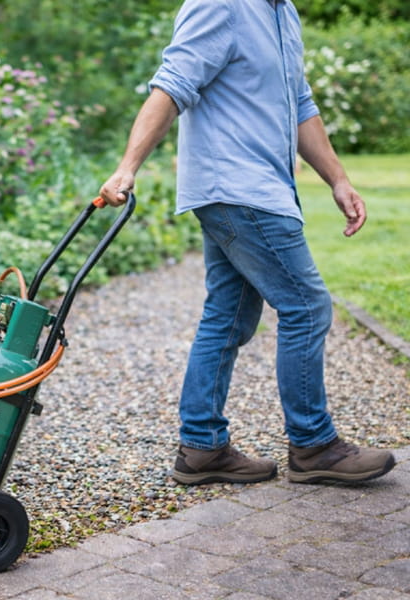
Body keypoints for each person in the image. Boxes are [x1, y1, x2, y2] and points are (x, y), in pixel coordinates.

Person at [99, 0, 396, 485]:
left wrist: (338, 180)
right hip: (237, 188)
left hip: (254, 188)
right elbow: (171, 85)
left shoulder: (285, 14)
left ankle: (202, 448)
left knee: (229, 314)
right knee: (307, 305)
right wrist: (127, 167)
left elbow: (300, 104)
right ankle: (313, 444)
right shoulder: (220, 4)